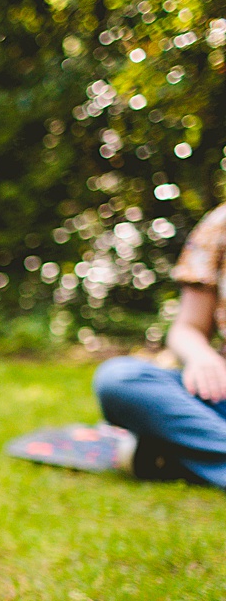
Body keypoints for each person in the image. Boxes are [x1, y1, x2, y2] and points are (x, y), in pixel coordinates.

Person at [93, 202, 226, 487]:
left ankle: (170, 452)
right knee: (120, 379)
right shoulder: (220, 224)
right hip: (222, 395)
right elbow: (187, 327)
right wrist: (201, 356)